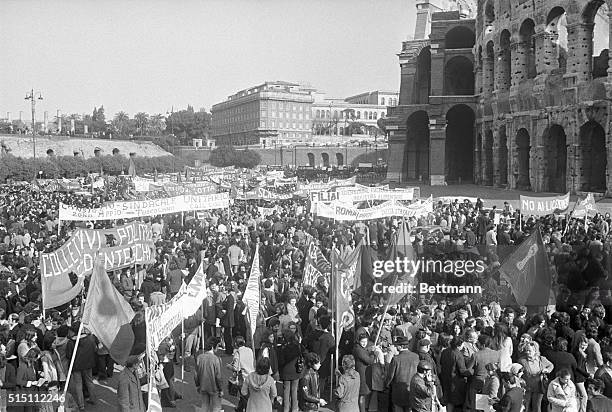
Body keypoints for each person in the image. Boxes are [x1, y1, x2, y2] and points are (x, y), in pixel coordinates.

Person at [385, 335, 421, 412]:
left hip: (398, 392)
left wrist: (386, 384)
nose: (395, 347)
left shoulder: (396, 359)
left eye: (396, 345)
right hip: (411, 390)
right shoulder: (416, 356)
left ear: (400, 346)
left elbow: (390, 376)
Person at [518, 341, 553, 412]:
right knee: (526, 406)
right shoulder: (522, 360)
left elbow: (551, 365)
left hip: (539, 387)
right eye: (526, 350)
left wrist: (547, 370)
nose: (527, 352)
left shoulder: (541, 359)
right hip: (526, 388)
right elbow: (518, 371)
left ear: (535, 350)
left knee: (537, 406)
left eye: (529, 350)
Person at [194, 337, 223, 412]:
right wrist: (221, 389)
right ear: (214, 347)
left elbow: (196, 374)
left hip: (203, 386)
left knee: (204, 406)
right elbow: (218, 377)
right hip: (214, 388)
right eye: (217, 346)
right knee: (216, 407)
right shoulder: (216, 359)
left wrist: (197, 385)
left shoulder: (199, 357)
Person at [278, 330, 303, 412]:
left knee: (286, 391)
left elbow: (281, 361)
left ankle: (286, 409)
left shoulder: (283, 348)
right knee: (294, 390)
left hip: (286, 372)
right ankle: (294, 409)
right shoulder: (297, 346)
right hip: (296, 371)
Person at [230, 336, 255, 412]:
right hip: (252, 375)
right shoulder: (250, 350)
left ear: (235, 343)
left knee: (244, 396)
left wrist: (229, 366)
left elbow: (236, 368)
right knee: (244, 395)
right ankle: (239, 409)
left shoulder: (238, 352)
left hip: (243, 377)